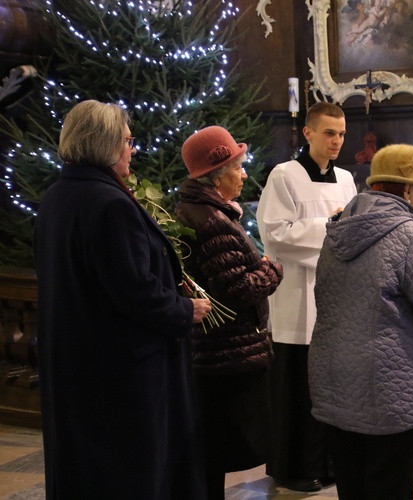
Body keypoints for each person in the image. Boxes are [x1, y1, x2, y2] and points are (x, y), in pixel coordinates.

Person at [34, 99, 211, 499]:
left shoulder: (57, 197)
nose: (133, 150)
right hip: (120, 370)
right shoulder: (110, 204)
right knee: (127, 472)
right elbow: (134, 291)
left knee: (83, 470)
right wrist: (186, 309)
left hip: (76, 360)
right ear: (106, 144)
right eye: (128, 141)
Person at [308, 144, 413, 499]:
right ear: (409, 189)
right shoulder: (410, 235)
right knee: (390, 486)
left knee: (352, 484)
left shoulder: (337, 229)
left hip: (335, 377)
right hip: (388, 384)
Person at [174, 126, 284, 499]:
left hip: (218, 351)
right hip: (224, 353)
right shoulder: (211, 220)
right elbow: (238, 288)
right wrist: (273, 268)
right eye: (238, 167)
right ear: (217, 173)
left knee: (213, 455)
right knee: (215, 453)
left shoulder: (205, 211)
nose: (244, 174)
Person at [257, 101, 357, 492]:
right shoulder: (284, 175)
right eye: (329, 133)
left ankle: (328, 462)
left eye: (342, 134)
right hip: (297, 297)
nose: (336, 141)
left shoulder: (348, 179)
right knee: (296, 387)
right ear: (309, 133)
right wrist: (330, 227)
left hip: (335, 295)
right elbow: (275, 234)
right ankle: (293, 466)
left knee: (330, 386)